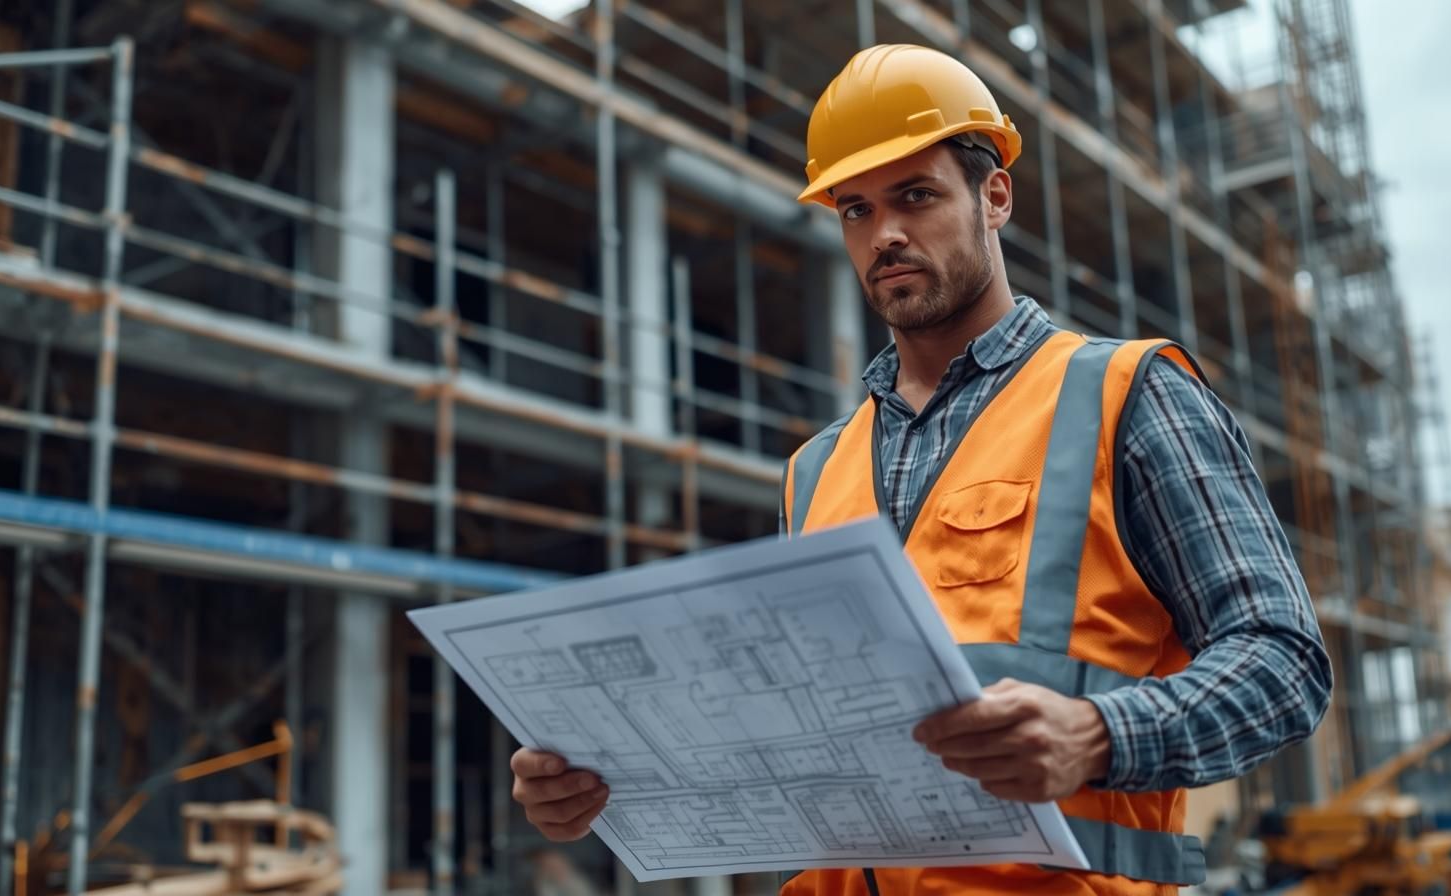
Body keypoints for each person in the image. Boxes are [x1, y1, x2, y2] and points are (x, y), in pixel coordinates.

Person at [509, 44, 1331, 895]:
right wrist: (611, 784)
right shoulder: (816, 468)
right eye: (856, 209)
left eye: (916, 195)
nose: (886, 233)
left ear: (995, 196)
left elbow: (1282, 664)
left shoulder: (1126, 396)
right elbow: (796, 737)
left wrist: (1099, 733)